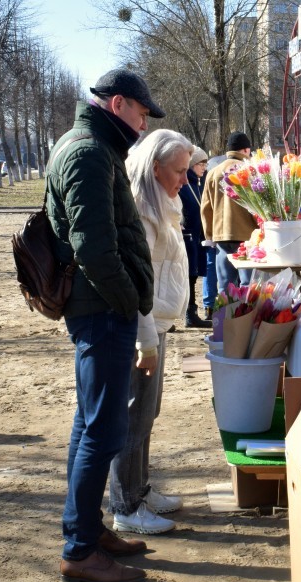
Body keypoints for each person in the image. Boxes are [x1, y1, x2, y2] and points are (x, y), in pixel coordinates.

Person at [47, 68, 163, 582]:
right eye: (141, 112)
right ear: (118, 104)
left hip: (100, 308)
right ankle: (79, 550)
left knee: (90, 424)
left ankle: (89, 533)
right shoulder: (89, 152)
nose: (143, 123)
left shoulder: (93, 146)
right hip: (101, 311)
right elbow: (94, 246)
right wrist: (126, 303)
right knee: (104, 430)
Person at [109, 129, 194, 535]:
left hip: (157, 324)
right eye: (179, 170)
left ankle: (140, 489)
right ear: (155, 167)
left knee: (148, 412)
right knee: (134, 416)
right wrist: (145, 339)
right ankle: (125, 506)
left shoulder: (165, 200)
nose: (185, 178)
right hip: (143, 328)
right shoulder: (143, 209)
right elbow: (137, 280)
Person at [200, 131, 258, 293]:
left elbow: (206, 208)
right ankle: (246, 318)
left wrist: (210, 235)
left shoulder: (213, 172)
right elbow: (259, 207)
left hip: (221, 235)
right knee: (248, 285)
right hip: (248, 236)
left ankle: (225, 318)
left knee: (225, 286)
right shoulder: (250, 170)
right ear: (246, 150)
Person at [178, 146, 212, 328]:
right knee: (186, 277)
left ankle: (191, 312)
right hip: (186, 237)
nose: (204, 167)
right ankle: (189, 314)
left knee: (192, 277)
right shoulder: (185, 185)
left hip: (195, 239)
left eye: (206, 163)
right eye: (201, 163)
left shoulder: (197, 184)